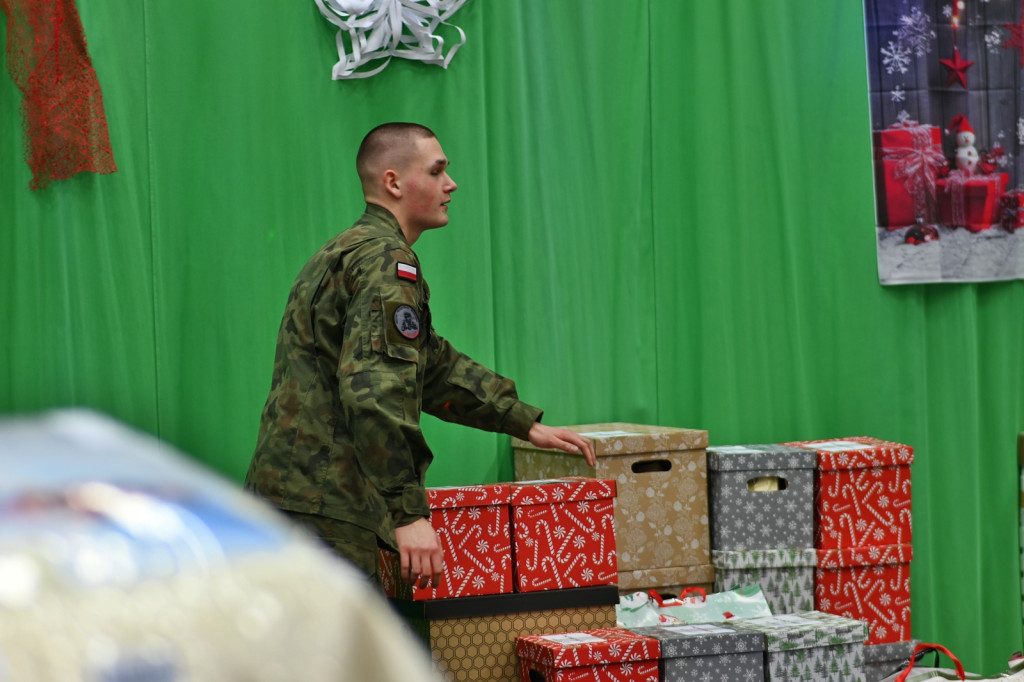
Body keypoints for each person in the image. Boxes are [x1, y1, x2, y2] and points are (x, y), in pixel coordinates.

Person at [244, 122, 596, 590]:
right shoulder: (386, 263)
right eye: (437, 171)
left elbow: (428, 365)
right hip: (329, 507)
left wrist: (523, 422)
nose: (450, 185)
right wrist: (408, 513)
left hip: (296, 495)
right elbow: (375, 389)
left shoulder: (344, 251)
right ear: (393, 182)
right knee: (335, 660)